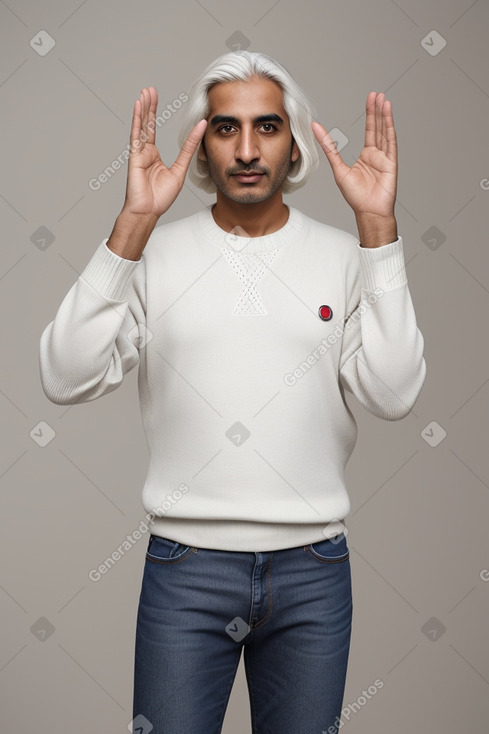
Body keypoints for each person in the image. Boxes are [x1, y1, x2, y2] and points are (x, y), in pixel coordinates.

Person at [39, 51, 426, 734]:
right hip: (184, 569)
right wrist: (133, 221)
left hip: (313, 570)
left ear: (295, 141)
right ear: (200, 143)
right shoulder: (155, 256)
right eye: (225, 128)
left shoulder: (344, 256)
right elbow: (65, 376)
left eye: (267, 126)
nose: (247, 149)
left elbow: (394, 393)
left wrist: (377, 232)